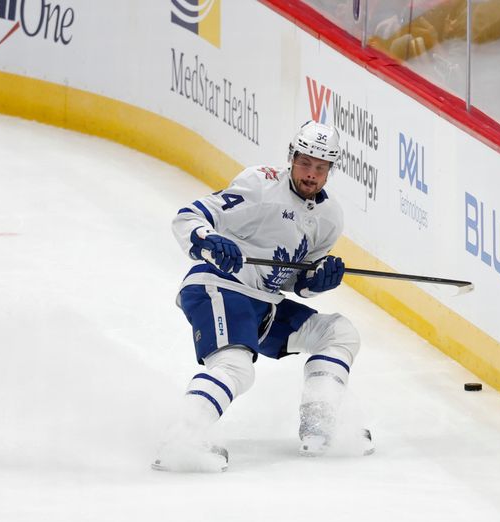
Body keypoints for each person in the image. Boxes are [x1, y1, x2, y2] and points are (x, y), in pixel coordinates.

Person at [153, 120, 372, 472]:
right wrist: (209, 241)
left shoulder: (330, 218)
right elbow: (188, 217)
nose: (311, 174)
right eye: (304, 162)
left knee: (339, 333)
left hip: (263, 303)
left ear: (331, 170)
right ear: (291, 157)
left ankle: (319, 424)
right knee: (235, 367)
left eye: (320, 167)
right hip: (219, 284)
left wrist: (316, 282)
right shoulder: (261, 185)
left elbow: (294, 280)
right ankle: (181, 437)